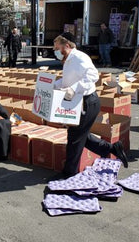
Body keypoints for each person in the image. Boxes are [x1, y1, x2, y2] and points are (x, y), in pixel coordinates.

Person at [53, 32, 128, 178]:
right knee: (81, 135)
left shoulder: (79, 58)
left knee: (74, 136)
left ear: (66, 46)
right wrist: (54, 85)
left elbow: (93, 75)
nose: (55, 52)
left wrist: (74, 88)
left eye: (57, 48)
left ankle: (69, 174)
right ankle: (112, 148)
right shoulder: (68, 60)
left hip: (88, 102)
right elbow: (68, 80)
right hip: (78, 102)